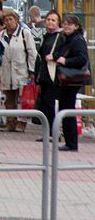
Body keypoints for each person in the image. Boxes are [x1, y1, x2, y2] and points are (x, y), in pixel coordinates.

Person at [50, 14, 91, 152]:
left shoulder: (77, 40)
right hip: (67, 80)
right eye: (65, 23)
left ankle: (71, 143)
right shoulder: (66, 38)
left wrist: (66, 61)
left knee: (67, 109)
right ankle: (69, 141)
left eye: (70, 24)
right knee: (65, 108)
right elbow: (59, 54)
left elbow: (82, 58)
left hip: (72, 79)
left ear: (76, 26)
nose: (66, 26)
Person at [0, 9, 37, 132]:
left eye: (11, 19)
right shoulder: (1, 35)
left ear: (16, 20)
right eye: (6, 20)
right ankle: (10, 122)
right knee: (8, 98)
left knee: (22, 98)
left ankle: (22, 122)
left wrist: (32, 71)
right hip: (6, 71)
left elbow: (32, 53)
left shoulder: (25, 33)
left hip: (22, 71)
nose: (9, 22)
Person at [35, 10, 63, 142]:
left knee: (50, 104)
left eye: (53, 20)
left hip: (54, 76)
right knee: (45, 104)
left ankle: (54, 133)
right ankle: (47, 132)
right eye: (48, 20)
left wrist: (54, 56)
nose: (50, 22)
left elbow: (63, 52)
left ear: (58, 22)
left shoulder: (60, 36)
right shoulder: (46, 36)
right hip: (44, 75)